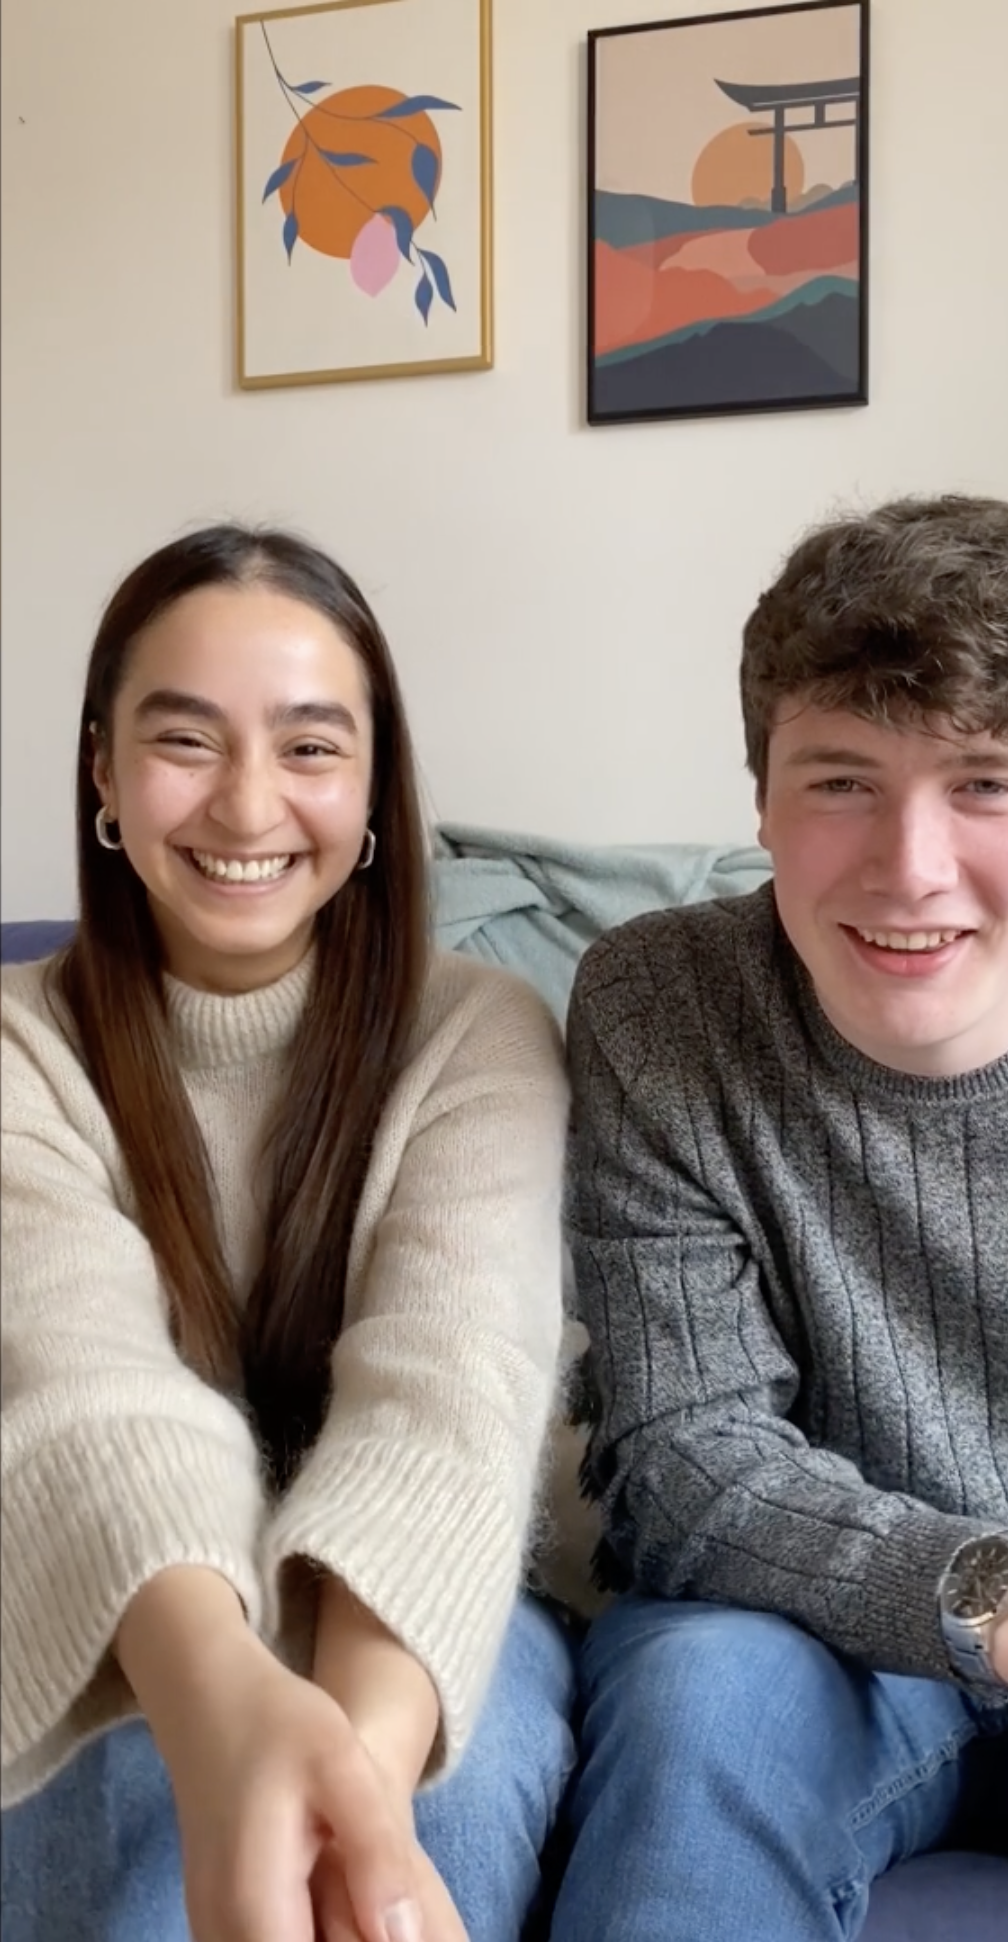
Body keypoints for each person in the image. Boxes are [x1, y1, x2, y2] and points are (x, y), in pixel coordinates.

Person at [0, 524, 573, 1942]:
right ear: (102, 775)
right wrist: (224, 1719)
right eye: (184, 739)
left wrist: (352, 1789)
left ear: (376, 786)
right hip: (116, 1578)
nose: (247, 804)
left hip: (409, 1618)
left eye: (312, 747)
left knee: (461, 1781)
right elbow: (84, 1389)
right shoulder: (18, 1051)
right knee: (96, 1771)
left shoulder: (477, 1032)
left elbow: (448, 1394)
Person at [554, 495, 1008, 1939]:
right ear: (757, 797)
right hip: (801, 1637)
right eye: (841, 780)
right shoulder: (658, 1003)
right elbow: (680, 1458)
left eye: (984, 781)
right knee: (693, 1694)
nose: (909, 867)